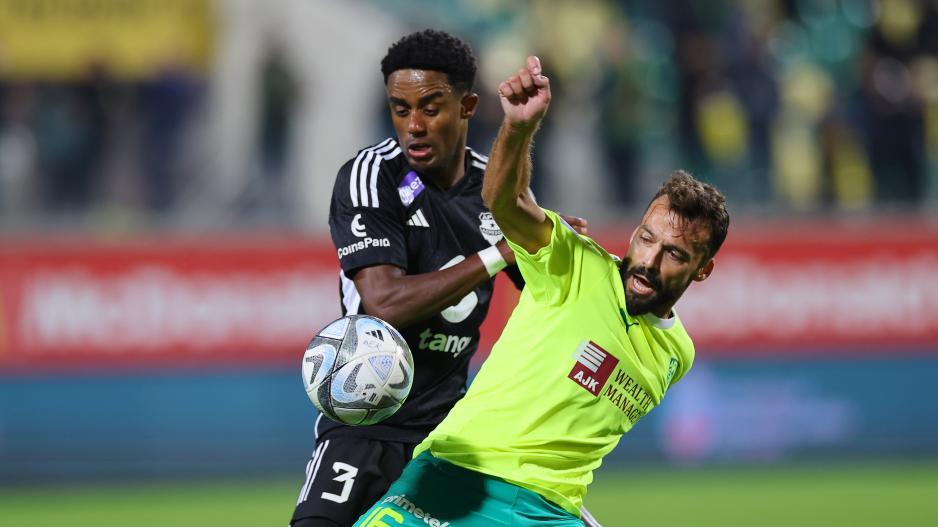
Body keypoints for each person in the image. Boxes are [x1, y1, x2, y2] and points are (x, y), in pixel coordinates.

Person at [351, 55, 730, 526]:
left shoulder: (676, 354)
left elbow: (567, 452)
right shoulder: (573, 263)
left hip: (546, 513)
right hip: (456, 479)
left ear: (702, 270)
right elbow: (504, 201)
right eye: (647, 239)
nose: (649, 261)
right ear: (635, 232)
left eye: (674, 254)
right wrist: (519, 127)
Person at [290, 31, 588, 527]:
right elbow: (384, 303)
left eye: (430, 108)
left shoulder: (494, 191)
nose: (414, 126)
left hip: (450, 434)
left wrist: (522, 135)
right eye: (400, 109)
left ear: (467, 106)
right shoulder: (372, 177)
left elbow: (555, 291)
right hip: (367, 422)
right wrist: (499, 253)